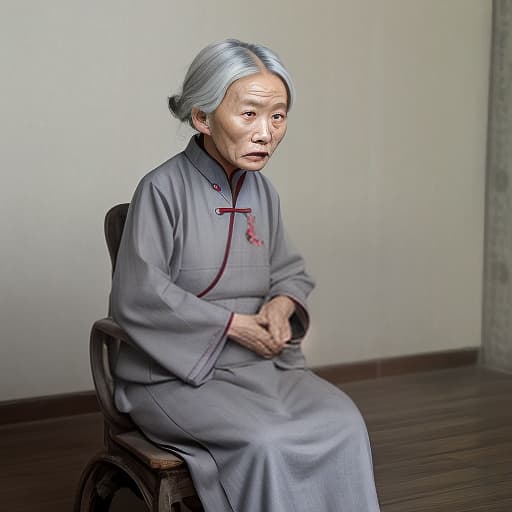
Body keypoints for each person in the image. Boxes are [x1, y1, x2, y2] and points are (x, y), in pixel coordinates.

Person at [110, 38, 381, 511]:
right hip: (173, 375)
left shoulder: (264, 193)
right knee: (265, 440)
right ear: (202, 117)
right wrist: (232, 325)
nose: (266, 133)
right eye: (250, 114)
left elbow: (288, 270)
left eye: (278, 116)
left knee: (344, 423)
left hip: (261, 367)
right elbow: (140, 293)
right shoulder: (160, 189)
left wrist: (280, 305)